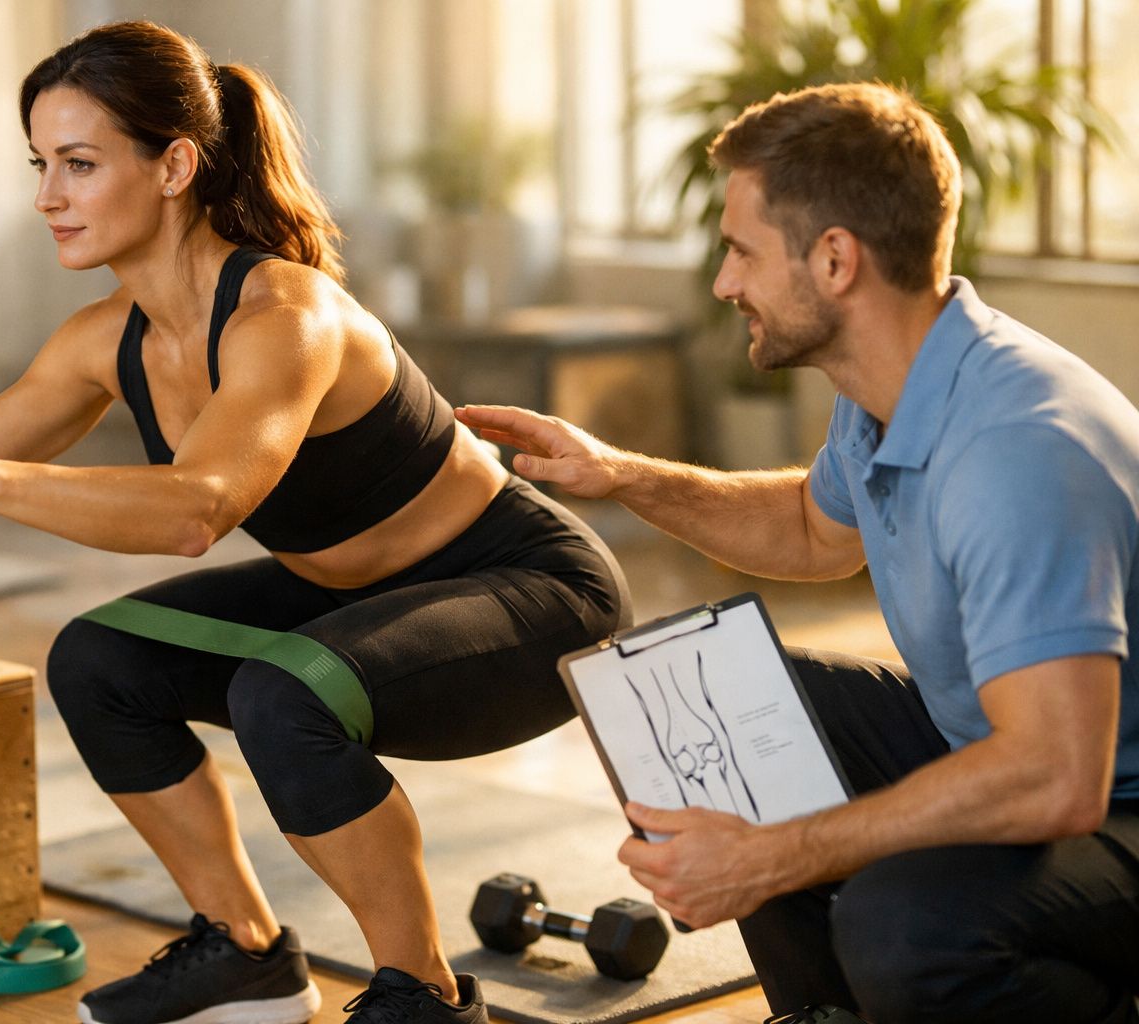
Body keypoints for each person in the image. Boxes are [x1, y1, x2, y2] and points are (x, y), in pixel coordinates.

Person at [0, 21, 628, 1024]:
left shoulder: (288, 313)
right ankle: (245, 953)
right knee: (100, 661)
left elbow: (198, 509)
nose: (46, 197)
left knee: (283, 693)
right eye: (41, 164)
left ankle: (424, 994)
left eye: (79, 163)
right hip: (350, 595)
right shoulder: (103, 340)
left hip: (533, 596)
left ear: (175, 166)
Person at [456, 82, 1139, 1024]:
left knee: (904, 926)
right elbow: (814, 532)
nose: (723, 283)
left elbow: (1056, 777)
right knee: (731, 706)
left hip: (1111, 801)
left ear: (834, 259)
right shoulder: (891, 385)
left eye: (739, 250)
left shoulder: (1019, 449)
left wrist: (767, 854)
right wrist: (620, 474)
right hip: (1011, 745)